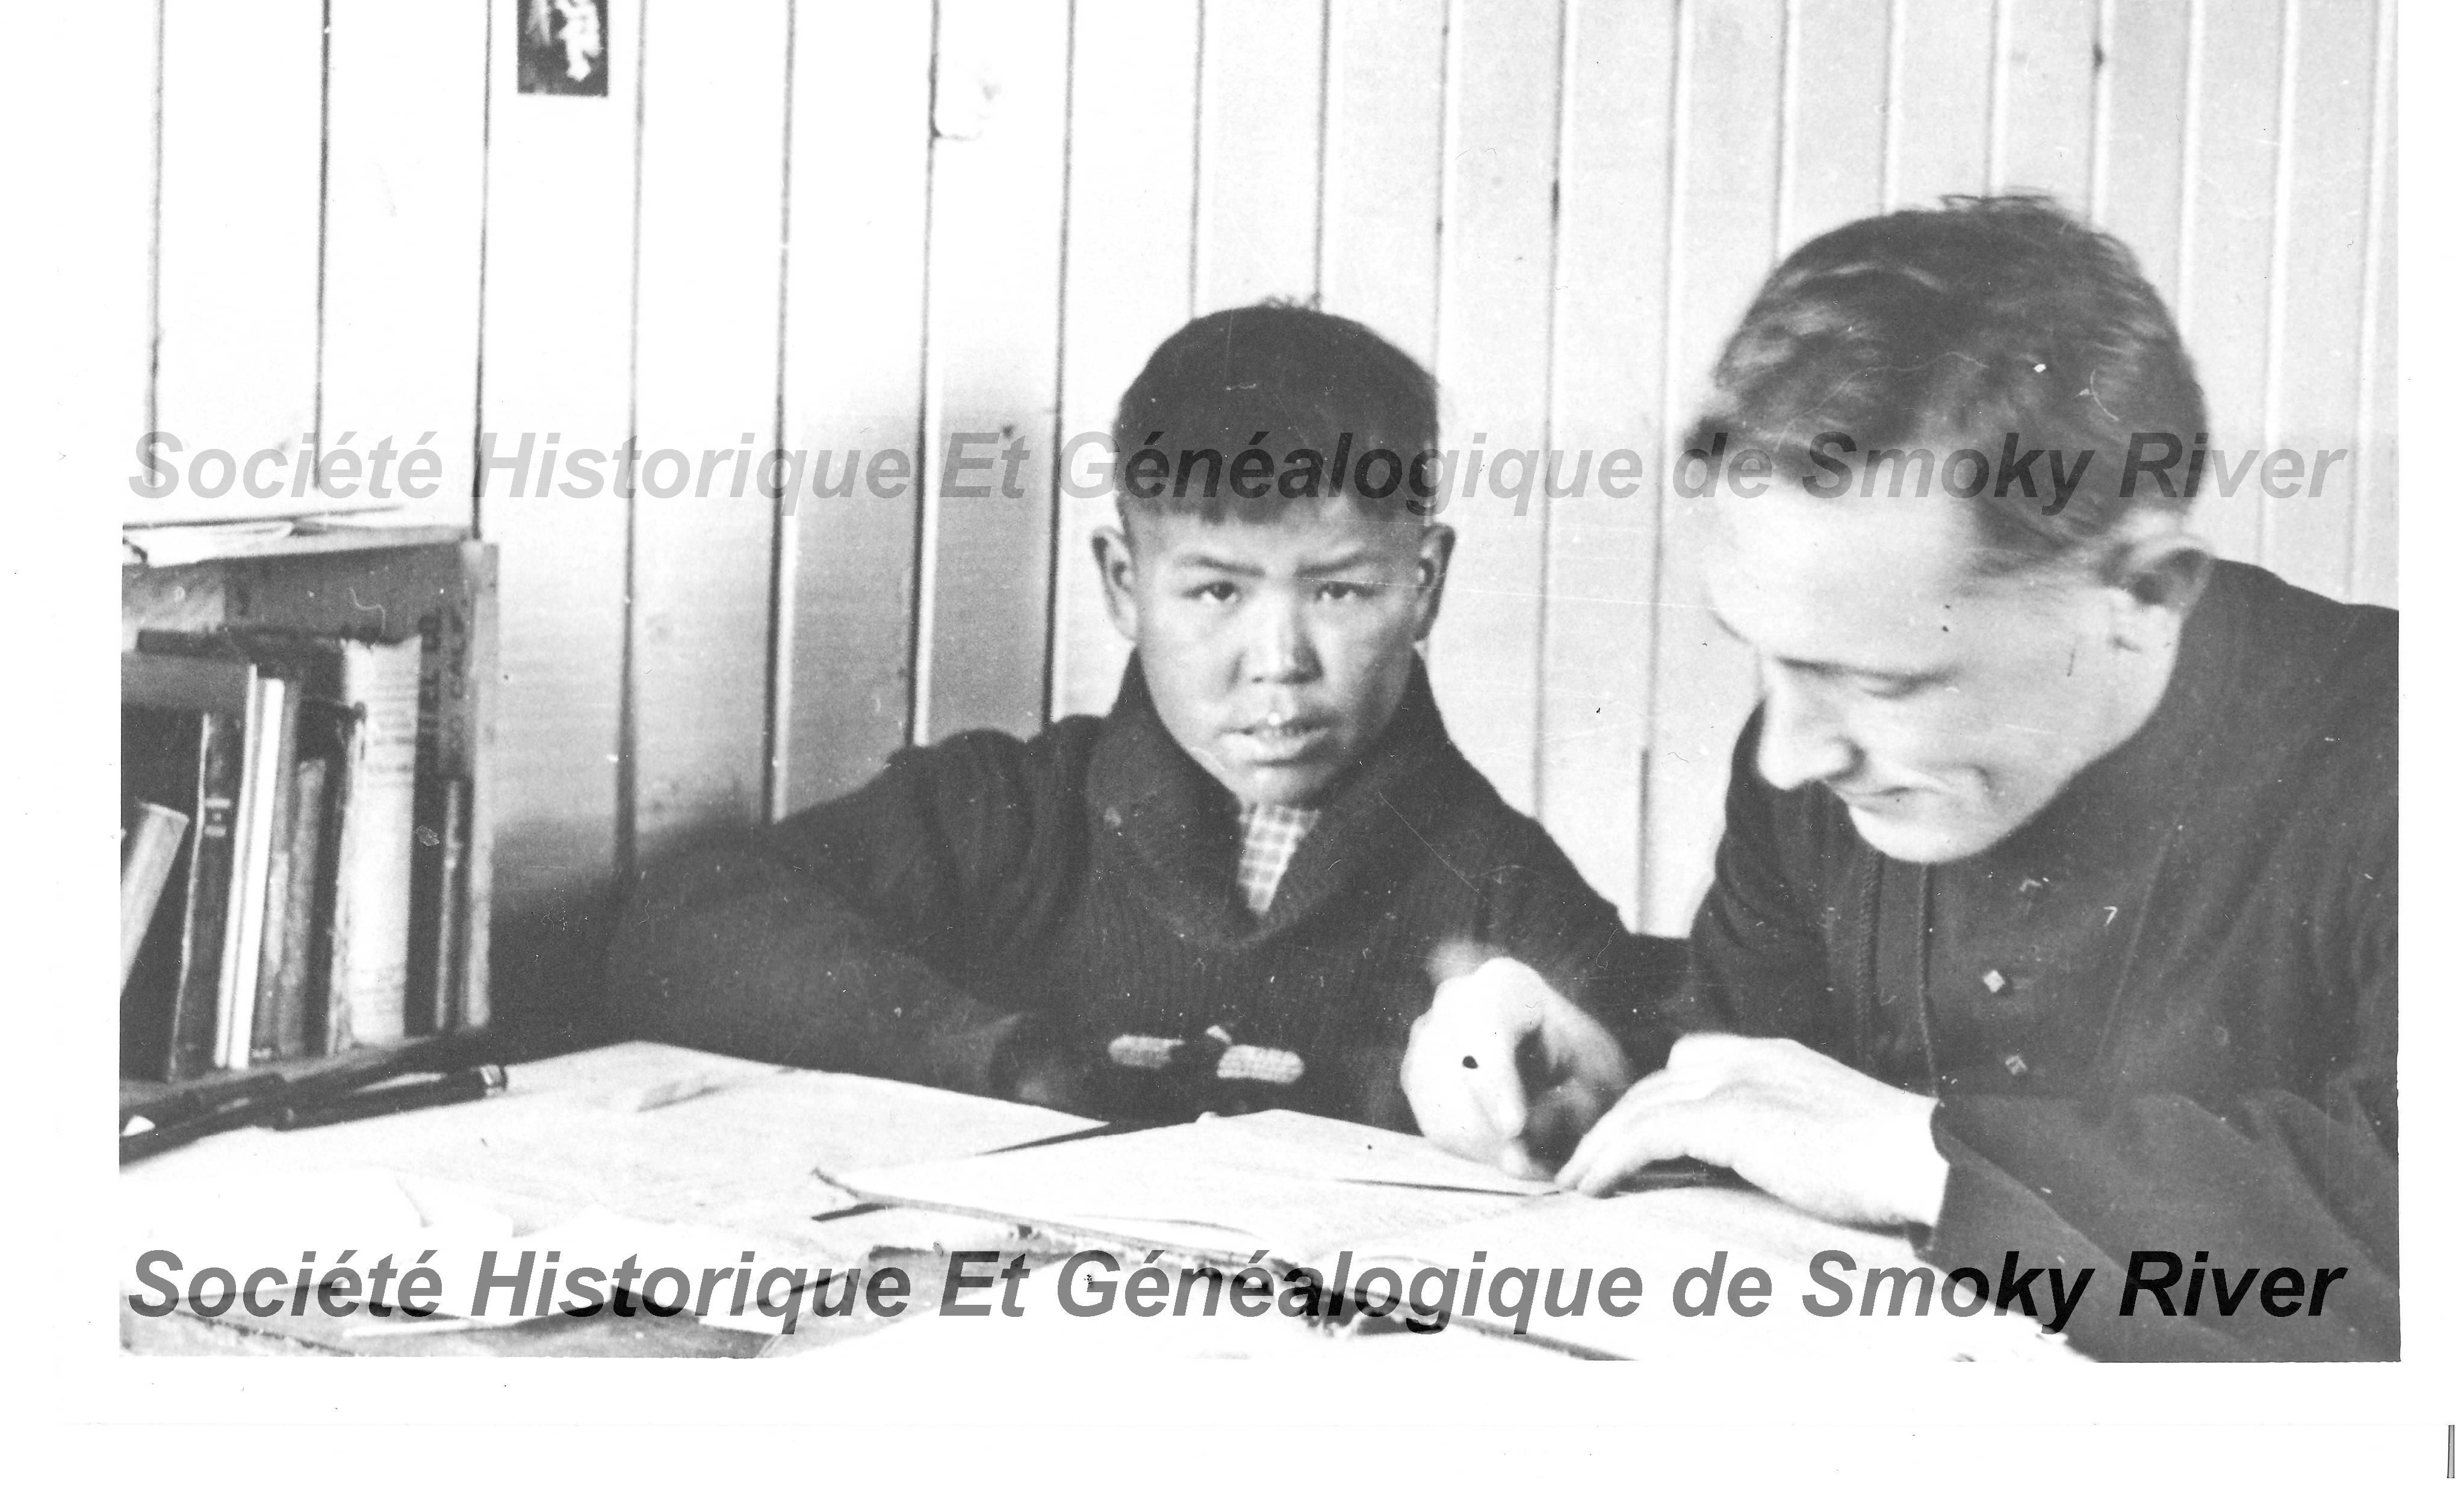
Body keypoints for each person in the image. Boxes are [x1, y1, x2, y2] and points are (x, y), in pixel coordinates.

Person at [1405, 196, 2395, 1360]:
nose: (1787, 754)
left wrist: (1915, 1154)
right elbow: (1755, 1066)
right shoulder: (1811, 767)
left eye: (1885, 683)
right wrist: (1617, 1086)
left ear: (2145, 594)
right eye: (1767, 658)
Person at [607, 302, 1681, 1131]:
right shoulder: (1014, 812)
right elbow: (685, 927)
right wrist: (1005, 1062)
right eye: (1216, 592)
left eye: (1341, 591)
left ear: (1426, 583)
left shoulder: (1503, 888)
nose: (1280, 665)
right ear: (1124, 582)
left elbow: (1636, 1072)